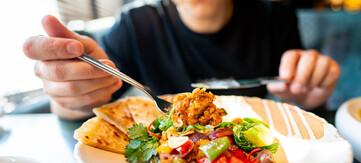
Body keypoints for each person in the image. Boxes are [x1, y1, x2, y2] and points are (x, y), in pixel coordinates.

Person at [23, 0, 340, 120]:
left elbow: (299, 93)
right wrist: (73, 93)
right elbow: (74, 106)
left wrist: (308, 95)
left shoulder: (275, 16)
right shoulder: (133, 26)